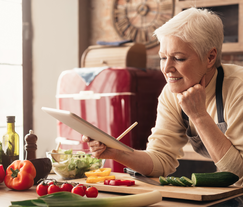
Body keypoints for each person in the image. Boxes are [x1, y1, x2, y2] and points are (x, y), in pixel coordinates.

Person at [82, 7, 243, 186]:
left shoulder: (238, 88)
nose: (166, 69)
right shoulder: (171, 93)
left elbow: (238, 172)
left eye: (178, 58)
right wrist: (116, 152)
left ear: (210, 57)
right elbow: (160, 158)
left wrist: (199, 116)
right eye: (163, 58)